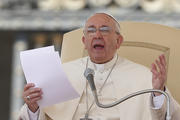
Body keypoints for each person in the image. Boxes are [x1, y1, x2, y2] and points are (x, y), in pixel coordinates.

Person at [18, 13, 180, 120]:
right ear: (84, 42)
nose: (97, 35)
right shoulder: (62, 73)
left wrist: (158, 92)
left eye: (104, 29)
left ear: (118, 41)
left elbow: (169, 116)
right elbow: (33, 116)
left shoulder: (144, 76)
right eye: (91, 30)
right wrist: (33, 107)